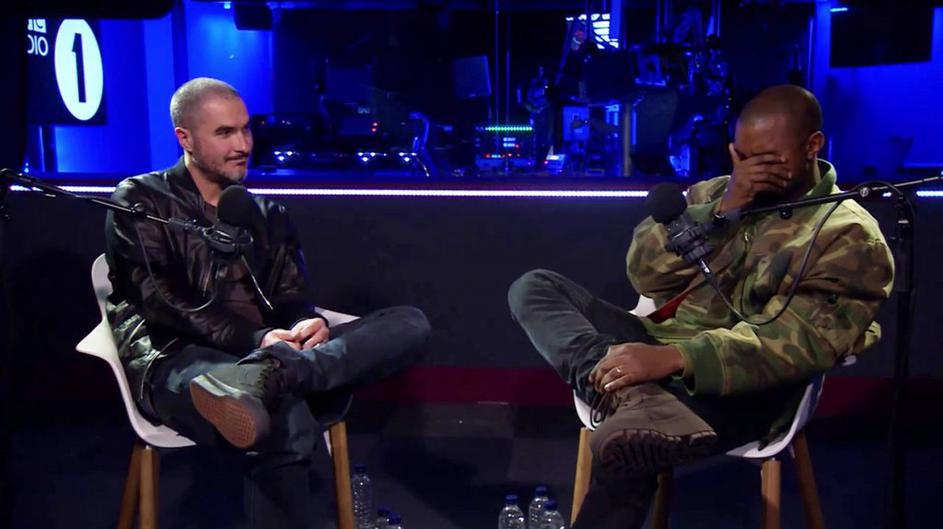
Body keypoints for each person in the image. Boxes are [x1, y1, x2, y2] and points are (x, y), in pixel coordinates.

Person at [507, 84, 894, 528]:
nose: (754, 171)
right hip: (659, 345)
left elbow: (797, 345)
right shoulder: (714, 193)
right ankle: (632, 395)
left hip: (743, 387)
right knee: (536, 288)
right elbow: (644, 274)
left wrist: (677, 359)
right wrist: (720, 213)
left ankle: (637, 407)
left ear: (813, 146)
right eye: (743, 157)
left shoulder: (847, 235)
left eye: (769, 159)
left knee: (627, 447)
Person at [105, 77, 430, 529]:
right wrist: (258, 338)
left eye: (245, 129)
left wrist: (306, 323)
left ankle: (277, 373)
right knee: (285, 415)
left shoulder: (268, 214)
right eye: (224, 133)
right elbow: (167, 305)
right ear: (185, 138)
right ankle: (274, 377)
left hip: (273, 354)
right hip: (179, 361)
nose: (242, 145)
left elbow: (292, 294)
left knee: (409, 323)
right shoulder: (142, 201)